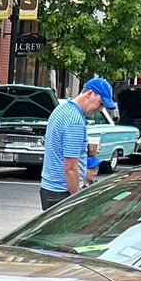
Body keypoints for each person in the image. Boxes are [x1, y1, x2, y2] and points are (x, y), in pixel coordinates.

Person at [39, 76, 114, 209]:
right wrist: (76, 201)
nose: (100, 109)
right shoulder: (75, 121)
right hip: (62, 193)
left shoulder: (61, 109)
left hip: (49, 188)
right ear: (89, 94)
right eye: (101, 103)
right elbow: (70, 168)